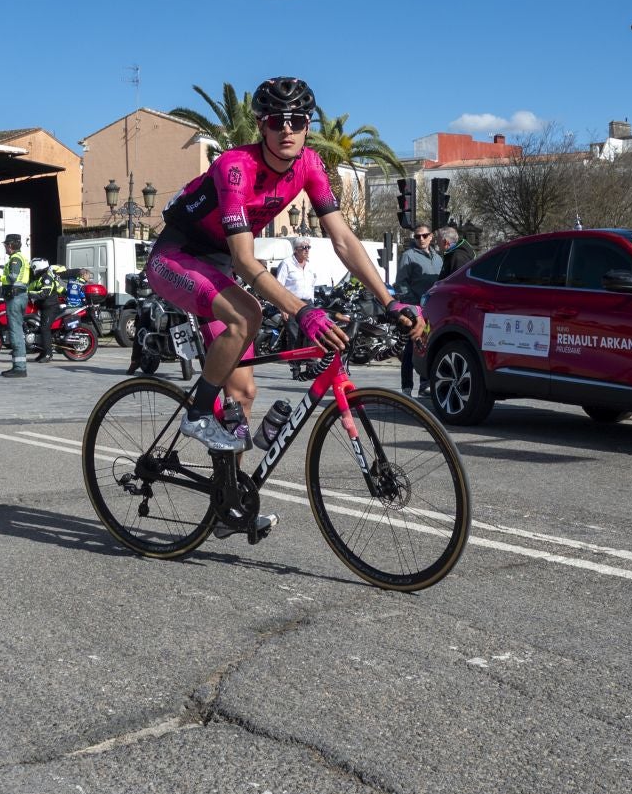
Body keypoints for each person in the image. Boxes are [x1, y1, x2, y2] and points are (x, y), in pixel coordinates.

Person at [146, 76, 427, 535]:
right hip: (177, 256)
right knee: (248, 315)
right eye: (277, 121)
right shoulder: (235, 167)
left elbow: (342, 240)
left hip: (217, 264)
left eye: (298, 120)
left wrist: (391, 299)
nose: (288, 129)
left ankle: (227, 505)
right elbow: (243, 258)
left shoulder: (311, 165)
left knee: (242, 394)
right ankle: (197, 413)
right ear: (261, 124)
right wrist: (301, 310)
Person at [394, 223, 443, 397]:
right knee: (410, 346)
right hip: (414, 309)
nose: (420, 239)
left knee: (426, 344)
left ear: (431, 236)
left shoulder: (438, 258)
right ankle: (407, 387)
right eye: (417, 236)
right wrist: (411, 306)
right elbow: (401, 282)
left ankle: (425, 384)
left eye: (424, 235)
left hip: (431, 309)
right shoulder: (408, 256)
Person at [0, 232, 30, 377]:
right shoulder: (21, 257)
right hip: (21, 296)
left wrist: (1, 277)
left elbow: (12, 277)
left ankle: (19, 367)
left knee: (15, 331)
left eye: (6, 244)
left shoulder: (15, 259)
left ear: (10, 245)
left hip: (15, 297)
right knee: (17, 330)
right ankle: (18, 366)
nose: (5, 247)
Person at [28, 255, 63, 362]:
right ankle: (42, 353)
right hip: (43, 306)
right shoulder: (40, 278)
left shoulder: (47, 278)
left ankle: (48, 354)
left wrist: (29, 293)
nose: (32, 270)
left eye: (33, 267)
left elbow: (44, 293)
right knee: (38, 328)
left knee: (44, 328)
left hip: (50, 307)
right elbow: (30, 286)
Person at [274, 238, 318, 304]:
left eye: (308, 247)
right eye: (304, 247)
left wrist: (312, 302)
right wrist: (282, 308)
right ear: (296, 250)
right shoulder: (286, 264)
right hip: (292, 303)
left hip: (308, 303)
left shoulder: (310, 265)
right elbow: (279, 287)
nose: (307, 250)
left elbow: (311, 287)